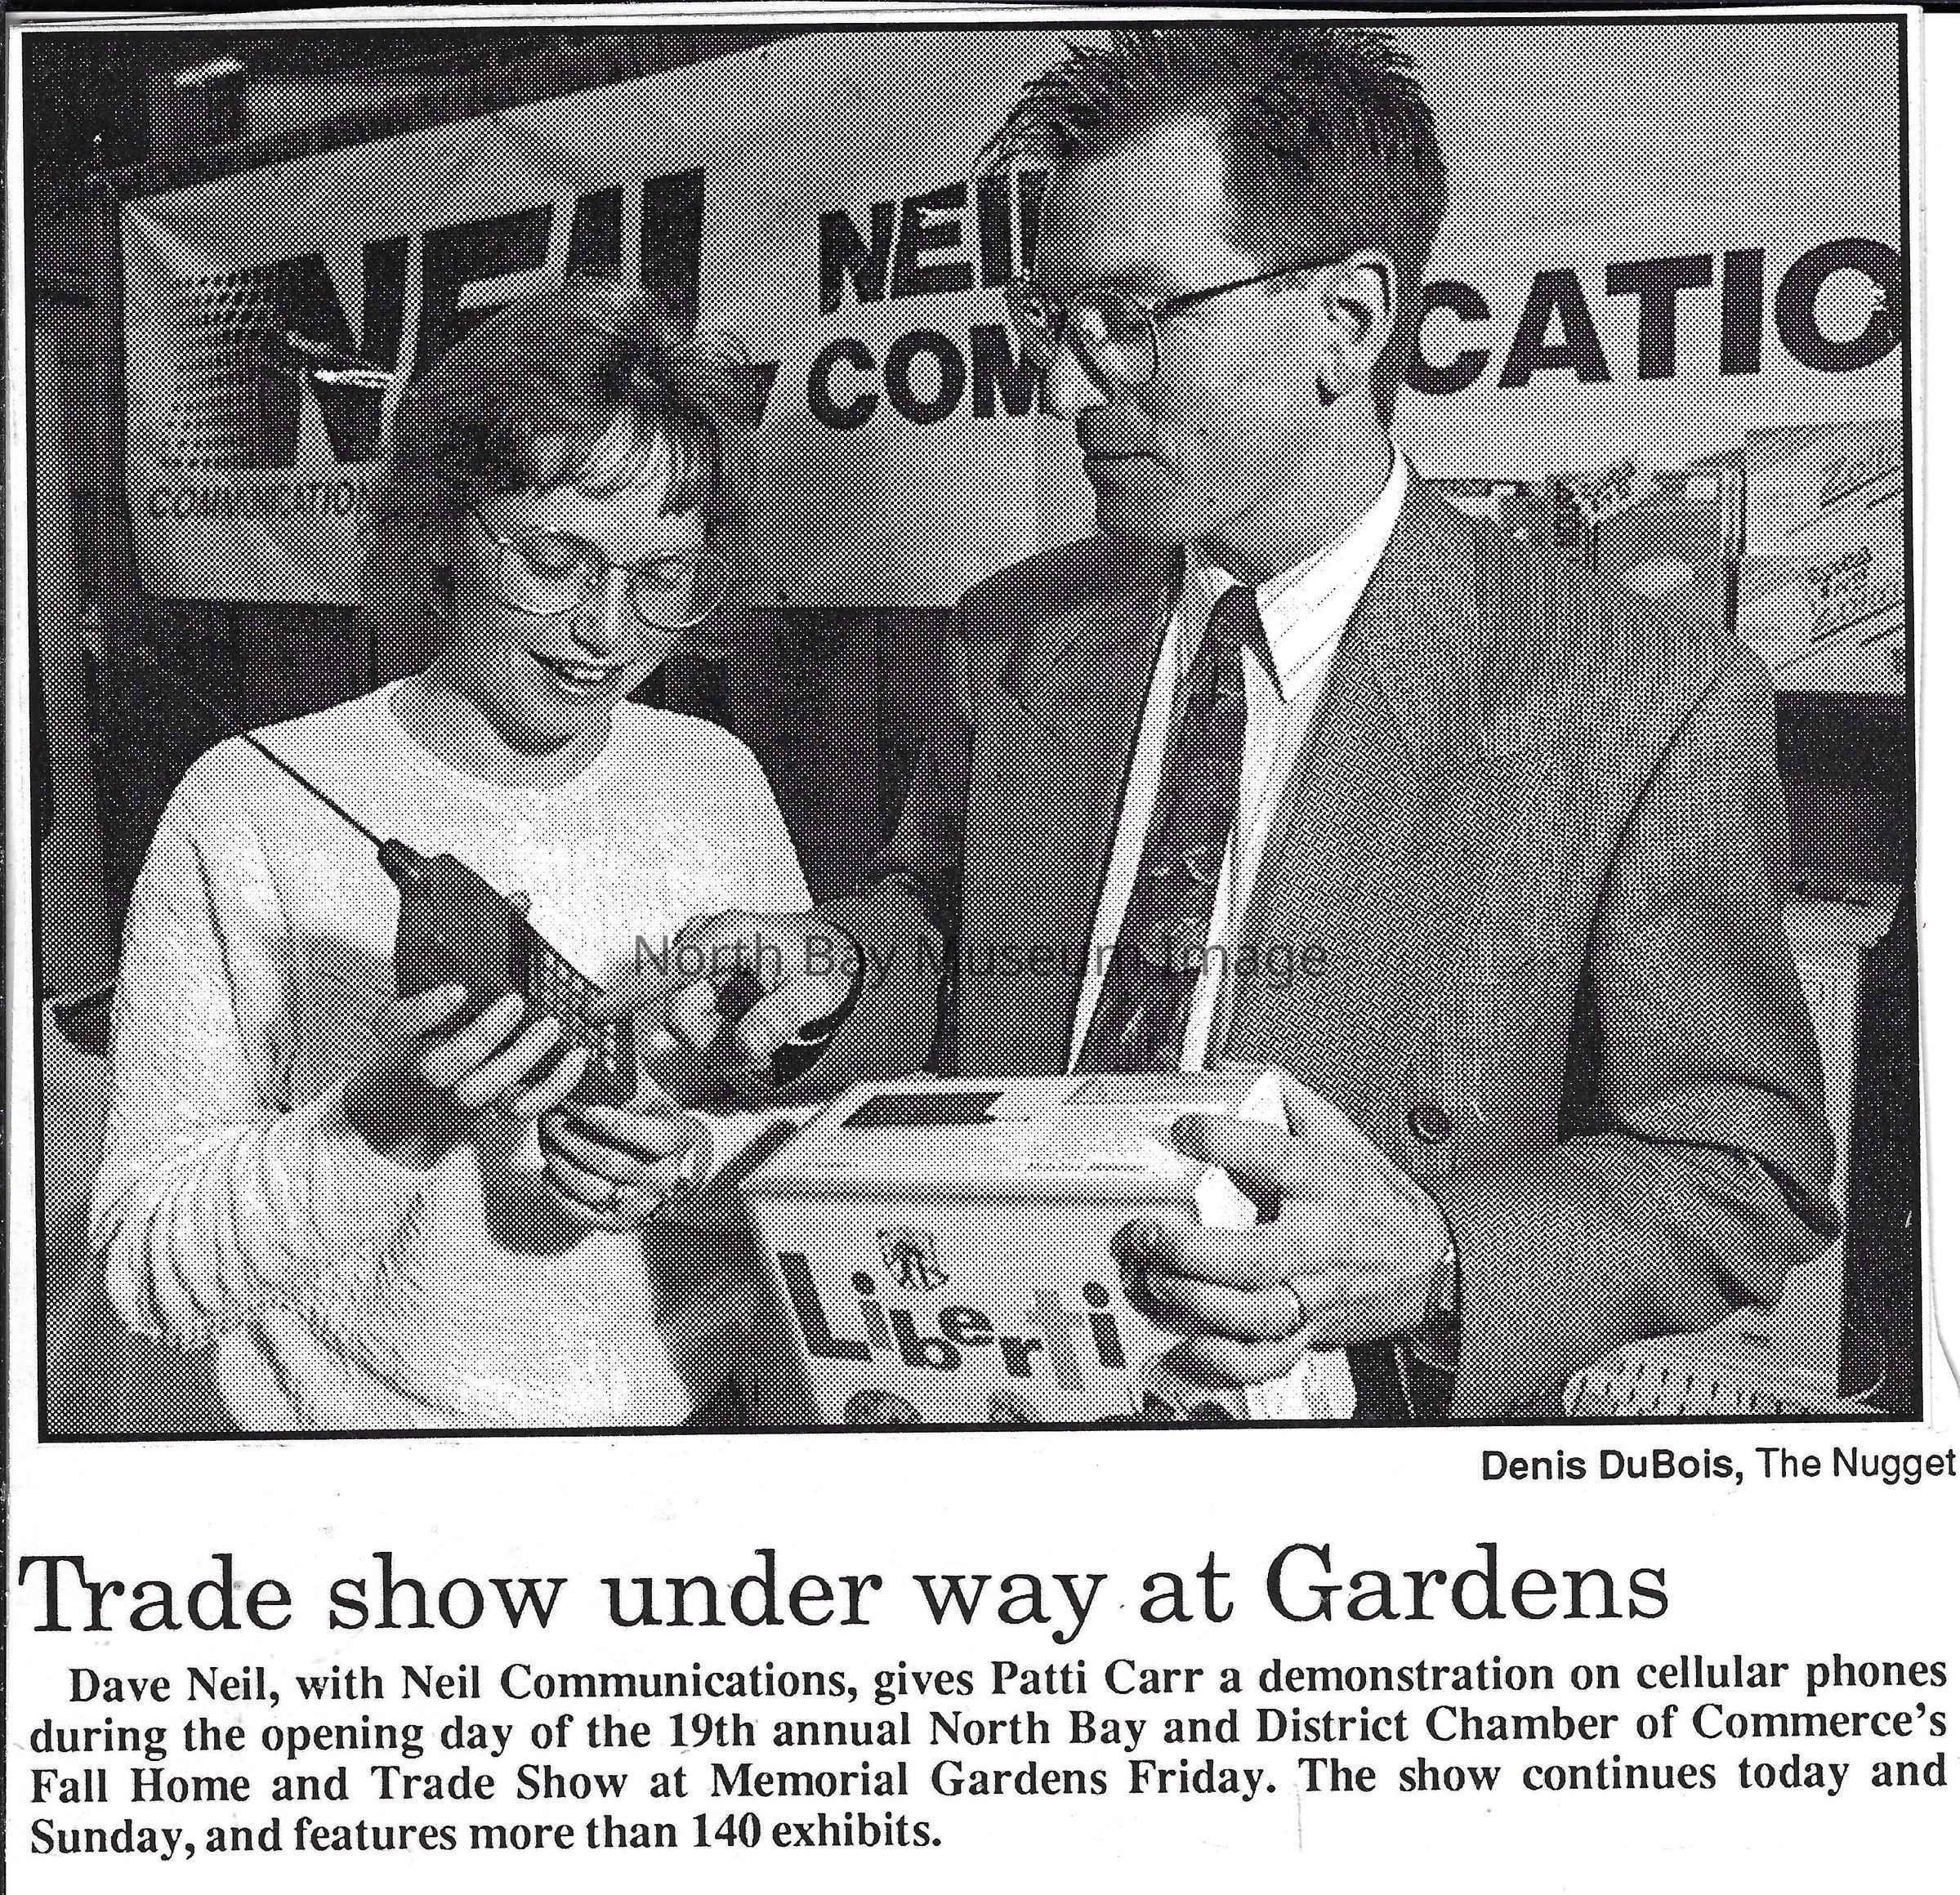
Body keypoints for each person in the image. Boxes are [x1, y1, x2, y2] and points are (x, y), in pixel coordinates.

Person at [631, 25, 1837, 1422]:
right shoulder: (1017, 631)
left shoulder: (1643, 695)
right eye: (1055, 321)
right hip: (1001, 1383)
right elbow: (948, 930)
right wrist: (840, 968)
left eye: (1135, 319)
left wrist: (1442, 1255)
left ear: (1347, 323)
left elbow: (1743, 1168)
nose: (1067, 390)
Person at [94, 278, 810, 1429]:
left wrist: (691, 1161)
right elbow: (145, 1275)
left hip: (673, 1453)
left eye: (663, 577)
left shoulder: (713, 777)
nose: (608, 629)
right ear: (440, 533)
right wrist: (380, 1124)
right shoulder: (244, 807)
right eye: (557, 563)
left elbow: (805, 1149)